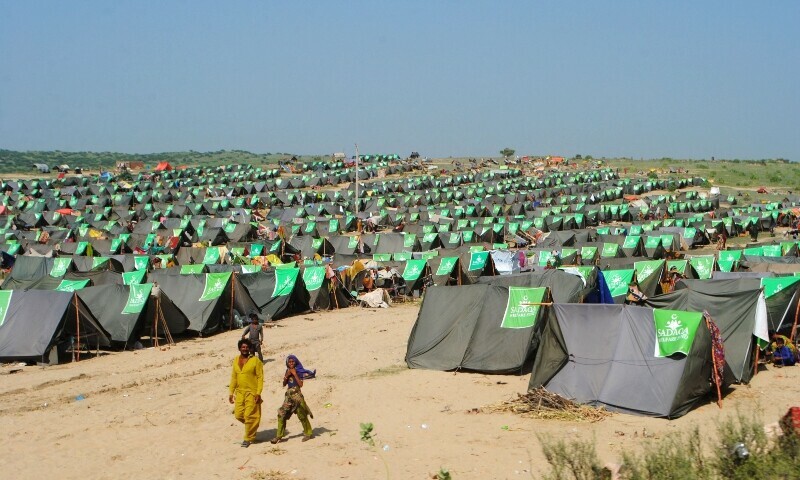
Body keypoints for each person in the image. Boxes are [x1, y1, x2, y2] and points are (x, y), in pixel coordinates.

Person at [271, 354, 314, 444]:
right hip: (288, 397)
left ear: (295, 362)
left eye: (292, 362)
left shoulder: (298, 371)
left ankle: (308, 433)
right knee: (281, 414)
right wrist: (287, 375)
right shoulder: (287, 370)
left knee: (302, 415)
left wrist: (294, 374)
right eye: (289, 362)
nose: (291, 363)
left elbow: (301, 384)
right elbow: (284, 384)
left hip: (297, 396)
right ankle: (279, 435)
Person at [228, 339, 264, 448]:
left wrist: (258, 393)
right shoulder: (235, 360)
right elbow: (234, 377)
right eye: (243, 347)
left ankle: (248, 438)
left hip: (252, 393)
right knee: (238, 415)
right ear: (239, 348)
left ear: (250, 348)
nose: (245, 349)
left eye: (247, 347)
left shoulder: (255, 361)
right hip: (240, 393)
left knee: (249, 415)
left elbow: (260, 377)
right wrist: (231, 392)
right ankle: (252, 426)